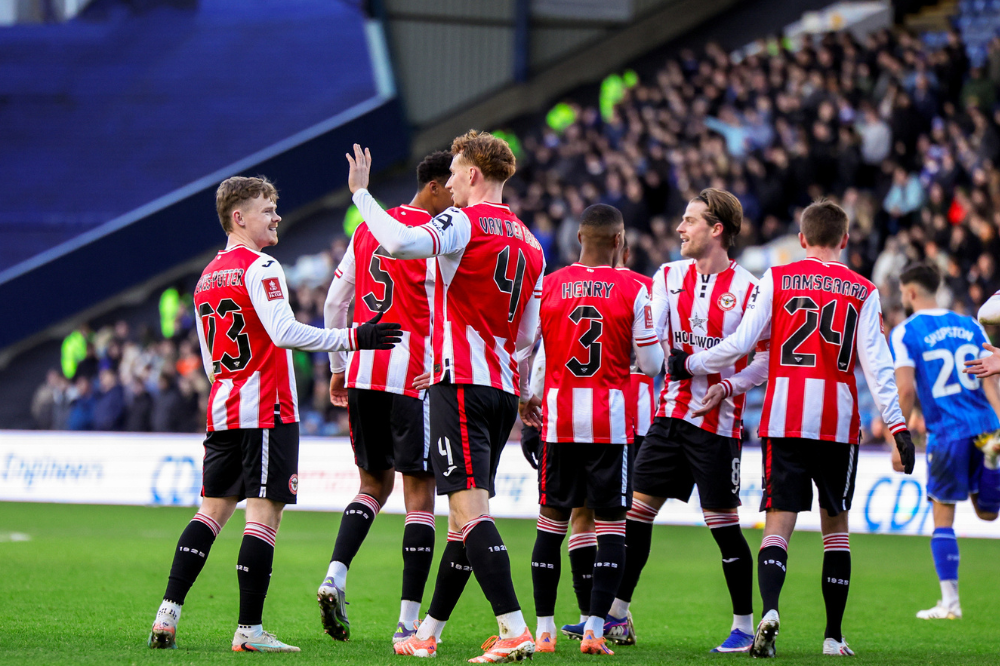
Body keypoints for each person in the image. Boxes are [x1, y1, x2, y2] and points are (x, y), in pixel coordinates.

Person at [147, 176, 401, 653]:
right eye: (267, 209)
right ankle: (249, 631)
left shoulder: (206, 278)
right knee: (262, 520)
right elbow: (285, 333)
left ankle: (167, 614)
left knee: (210, 513)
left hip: (224, 409)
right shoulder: (262, 267)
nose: (277, 216)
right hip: (267, 410)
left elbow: (207, 361)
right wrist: (354, 337)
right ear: (239, 218)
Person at [672, 199, 915, 658]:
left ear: (802, 239)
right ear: (844, 240)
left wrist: (690, 363)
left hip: (783, 419)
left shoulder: (777, 278)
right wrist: (898, 427)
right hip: (837, 424)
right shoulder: (862, 290)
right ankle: (833, 636)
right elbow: (878, 365)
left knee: (777, 526)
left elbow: (742, 343)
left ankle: (769, 610)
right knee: (835, 531)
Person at [346, 133, 546, 662]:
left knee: (469, 510)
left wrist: (362, 197)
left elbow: (398, 244)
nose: (450, 183)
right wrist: (526, 389)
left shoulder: (464, 221)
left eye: (456, 173)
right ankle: (428, 632)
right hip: (503, 387)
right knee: (461, 522)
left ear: (475, 174)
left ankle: (512, 630)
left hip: (459, 383)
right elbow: (528, 334)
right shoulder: (530, 241)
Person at [607, 189, 769, 654]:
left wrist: (726, 385)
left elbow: (757, 359)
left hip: (717, 424)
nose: (680, 228)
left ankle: (742, 627)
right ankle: (617, 614)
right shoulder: (667, 275)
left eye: (690, 221)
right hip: (669, 415)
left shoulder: (750, 289)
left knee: (723, 524)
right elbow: (655, 343)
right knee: (635, 517)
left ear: (716, 230)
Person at [317, 151, 454, 644]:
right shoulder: (436, 239)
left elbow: (335, 302)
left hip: (361, 370)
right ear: (435, 187)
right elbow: (444, 312)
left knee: (372, 487)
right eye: (453, 187)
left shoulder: (367, 228)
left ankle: (335, 574)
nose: (458, 196)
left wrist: (337, 368)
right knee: (420, 499)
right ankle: (408, 621)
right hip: (411, 376)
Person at [519, 203, 662, 655]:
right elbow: (652, 364)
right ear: (619, 240)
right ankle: (596, 629)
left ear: (579, 237)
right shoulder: (637, 288)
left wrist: (531, 396)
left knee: (550, 525)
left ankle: (543, 630)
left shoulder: (551, 285)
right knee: (612, 528)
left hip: (559, 420)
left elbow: (532, 349)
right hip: (609, 423)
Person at [889, 262, 1000, 620]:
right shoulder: (970, 323)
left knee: (943, 515)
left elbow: (905, 390)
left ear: (909, 293)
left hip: (947, 432)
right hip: (986, 425)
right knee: (986, 511)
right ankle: (991, 459)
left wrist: (898, 439)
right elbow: (989, 379)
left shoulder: (905, 331)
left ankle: (950, 603)